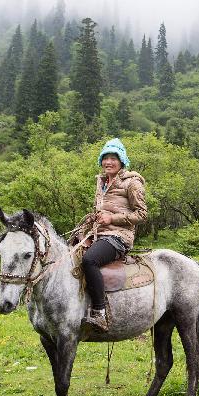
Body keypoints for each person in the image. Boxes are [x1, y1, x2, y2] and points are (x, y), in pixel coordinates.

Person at [74, 138, 147, 331]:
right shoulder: (101, 181)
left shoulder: (131, 183)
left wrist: (112, 219)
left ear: (122, 160)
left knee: (89, 260)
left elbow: (142, 214)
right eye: (105, 158)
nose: (108, 162)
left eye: (113, 158)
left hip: (119, 236)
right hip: (99, 233)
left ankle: (100, 313)